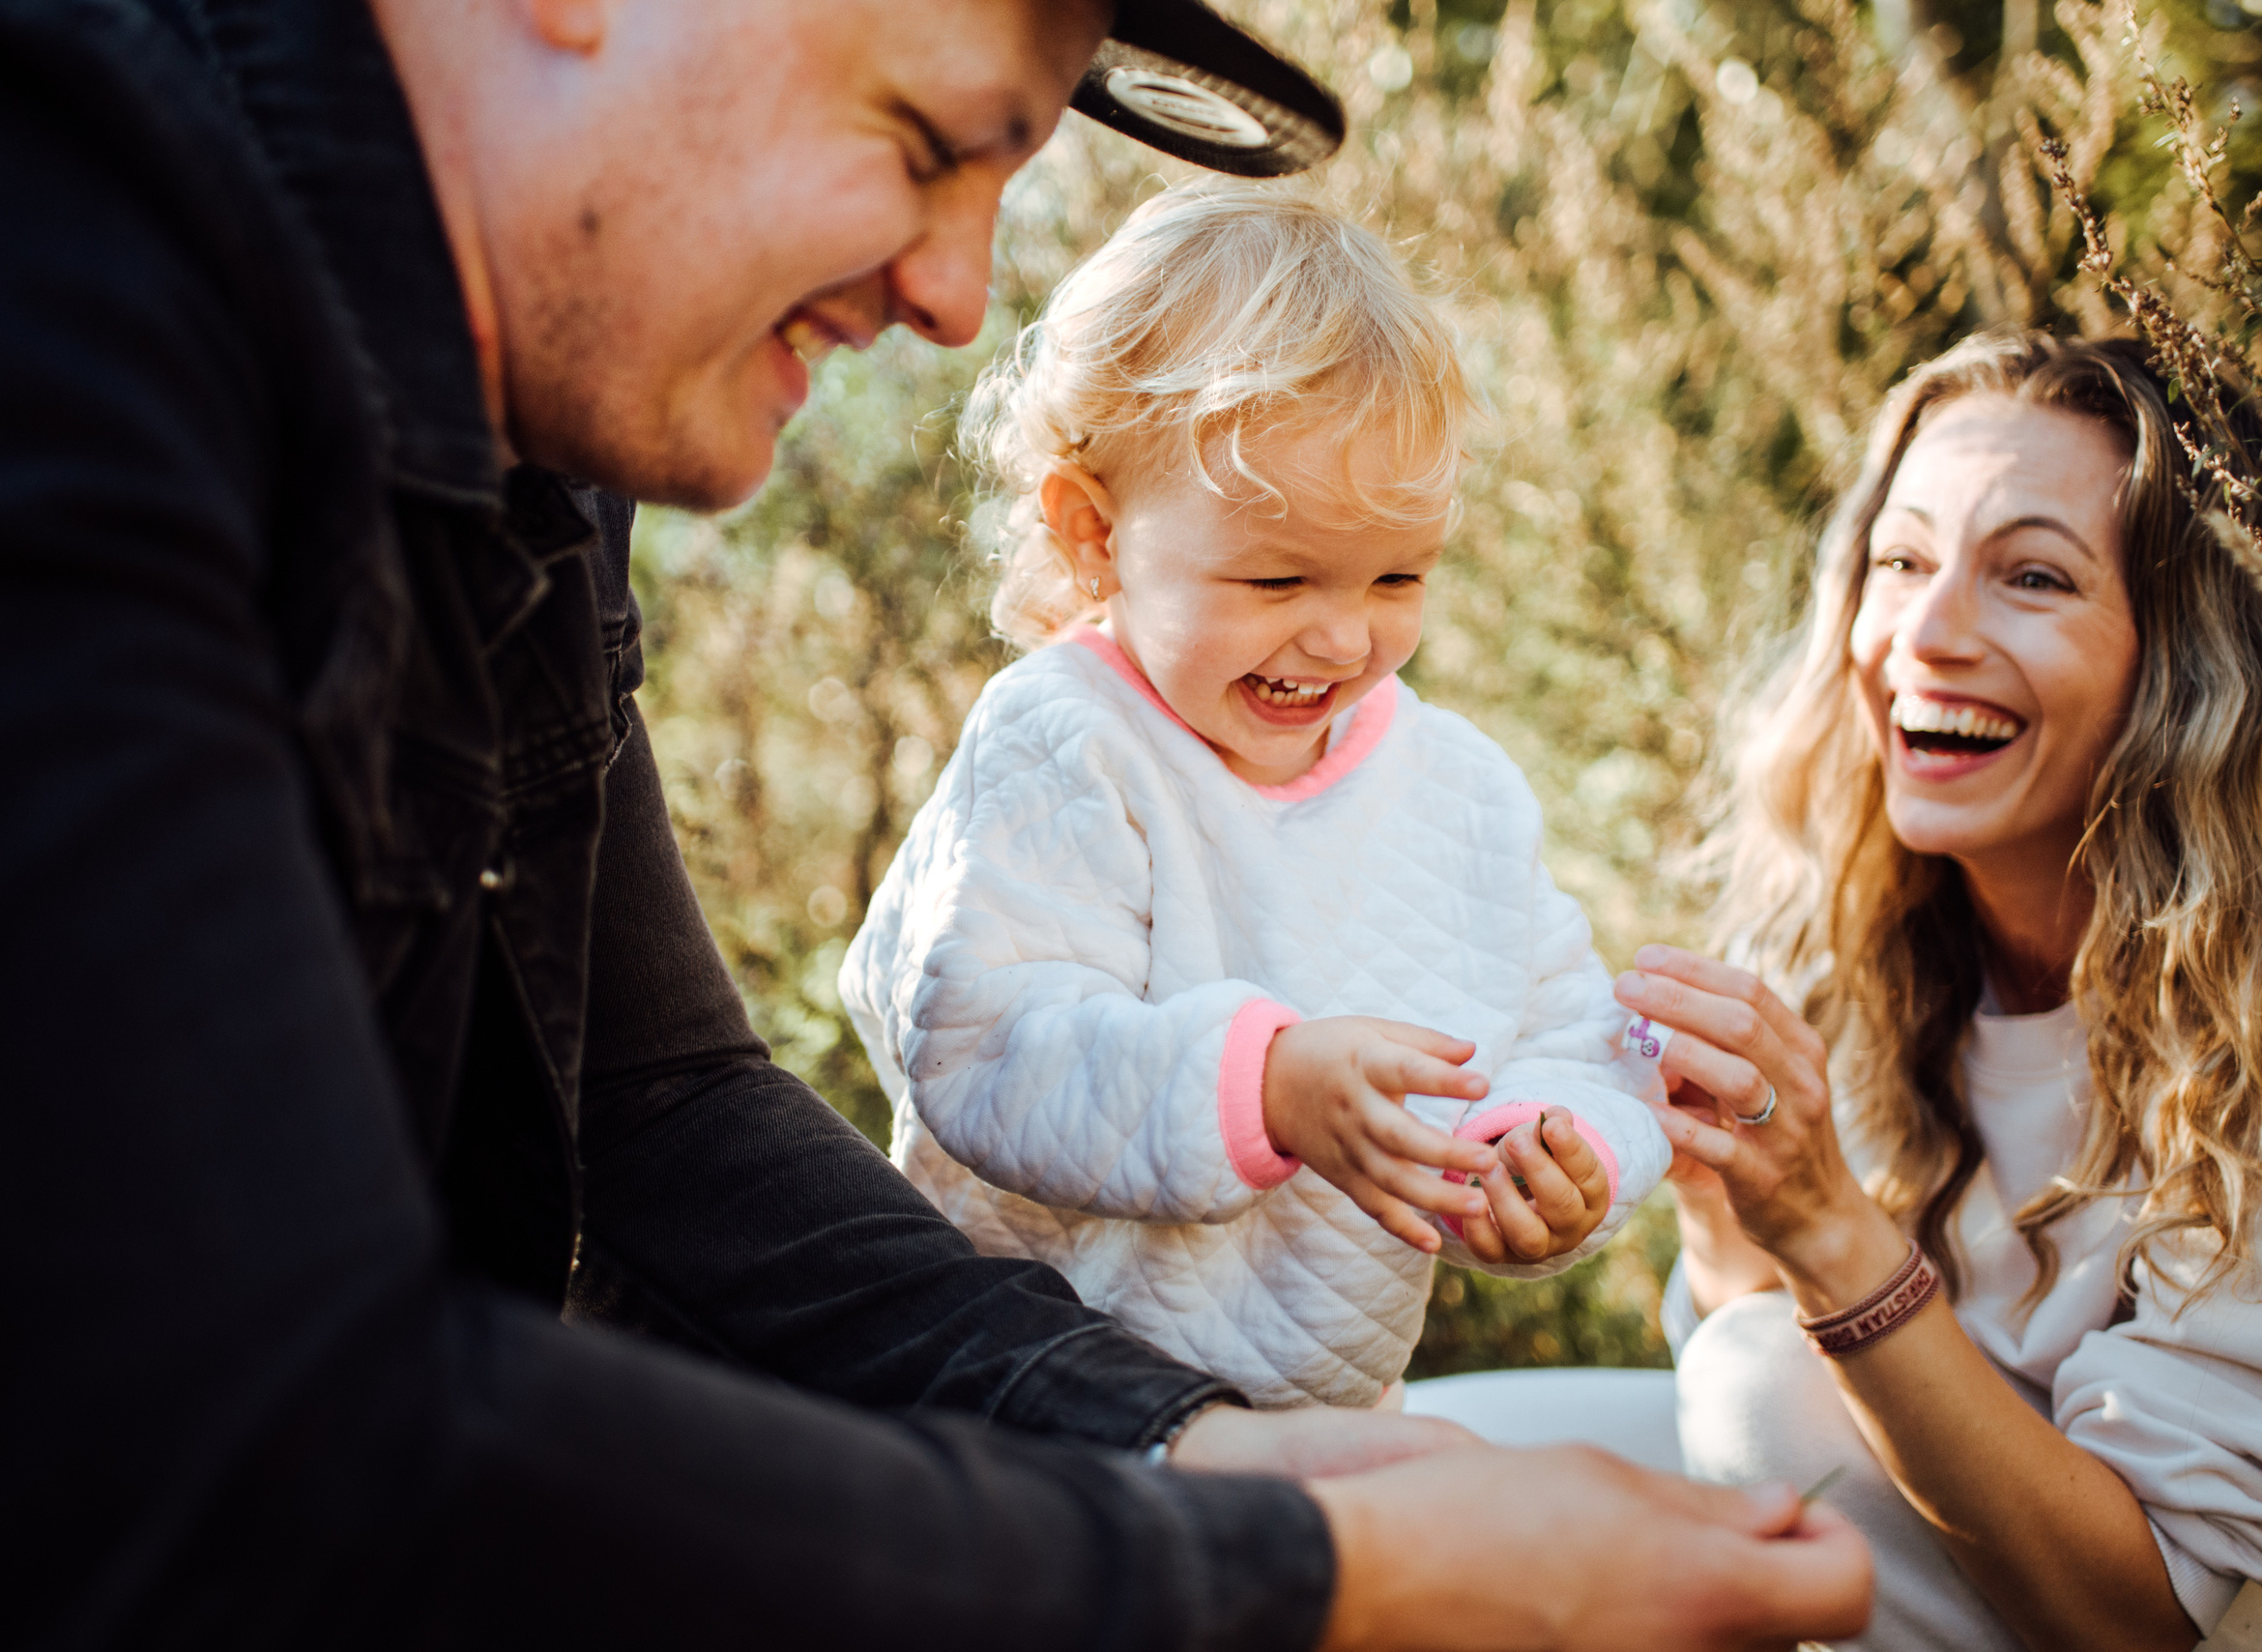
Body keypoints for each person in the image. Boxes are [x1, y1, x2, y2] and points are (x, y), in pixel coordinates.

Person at [0, 0, 1871, 1645]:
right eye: (919, 143)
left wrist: (1187, 1438)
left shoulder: (534, 463)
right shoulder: (78, 296)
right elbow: (268, 1412)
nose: (956, 294)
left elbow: (649, 1102)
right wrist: (1308, 1575)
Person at [1615, 332, 2262, 1650]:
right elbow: (1781, 1366)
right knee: (1467, 1462)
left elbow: (2143, 1612)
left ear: (2192, 666)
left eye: (2031, 576)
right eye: (1900, 562)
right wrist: (1723, 1192)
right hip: (1975, 1549)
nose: (1928, 634)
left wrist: (1837, 1232)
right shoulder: (1869, 943)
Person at [840, 185, 1671, 1410]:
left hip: (1311, 1404)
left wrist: (1558, 1145)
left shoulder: (1456, 792)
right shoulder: (1068, 743)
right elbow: (986, 1045)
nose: (1341, 635)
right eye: (1276, 576)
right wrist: (1267, 1084)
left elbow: (1568, 1023)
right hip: (1034, 1395)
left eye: (1398, 572)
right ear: (1094, 534)